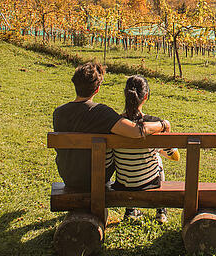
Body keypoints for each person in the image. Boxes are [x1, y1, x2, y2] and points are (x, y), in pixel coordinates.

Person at [52, 62, 170, 191]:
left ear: (75, 84)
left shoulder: (59, 113)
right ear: (97, 89)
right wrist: (163, 124)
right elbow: (136, 131)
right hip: (95, 177)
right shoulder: (100, 112)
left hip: (69, 177)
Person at [111, 75, 178, 223]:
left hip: (123, 184)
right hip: (150, 182)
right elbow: (174, 155)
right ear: (146, 96)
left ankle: (130, 210)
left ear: (125, 94)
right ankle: (161, 210)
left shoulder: (116, 124)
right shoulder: (154, 124)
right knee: (158, 159)